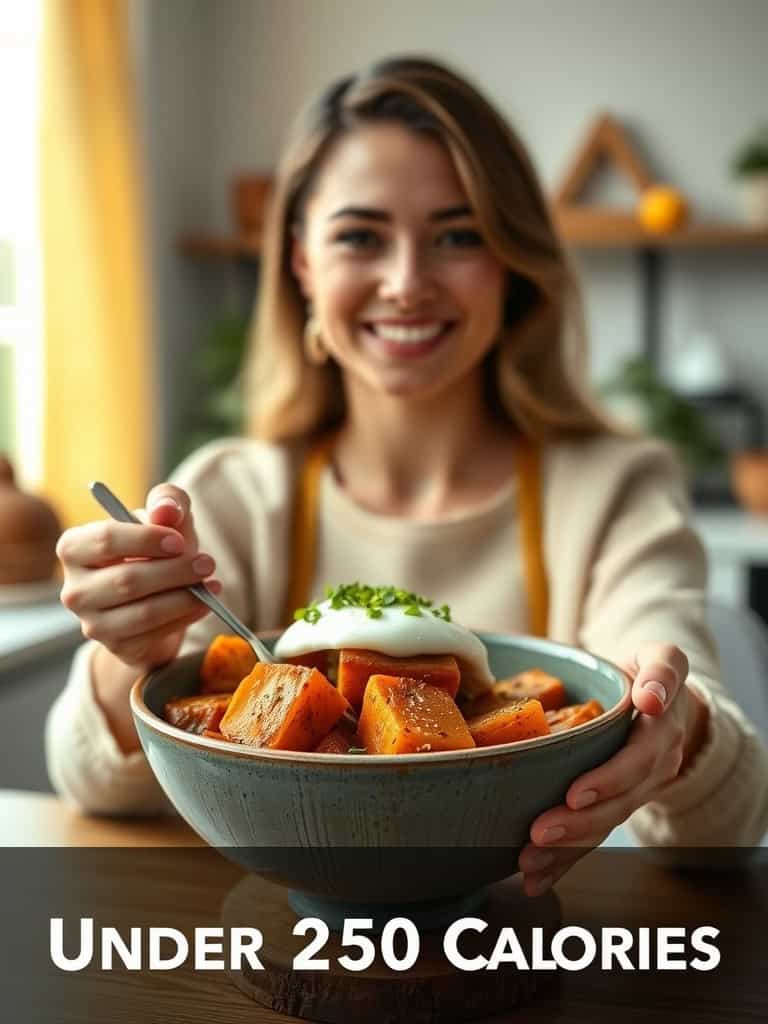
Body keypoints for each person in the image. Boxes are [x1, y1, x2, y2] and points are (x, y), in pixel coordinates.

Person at [47, 56, 768, 896]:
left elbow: (729, 826)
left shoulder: (615, 487)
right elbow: (87, 783)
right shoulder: (231, 491)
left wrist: (676, 728)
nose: (406, 283)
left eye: (459, 235)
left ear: (512, 263)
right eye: (360, 236)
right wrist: (130, 651)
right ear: (302, 264)